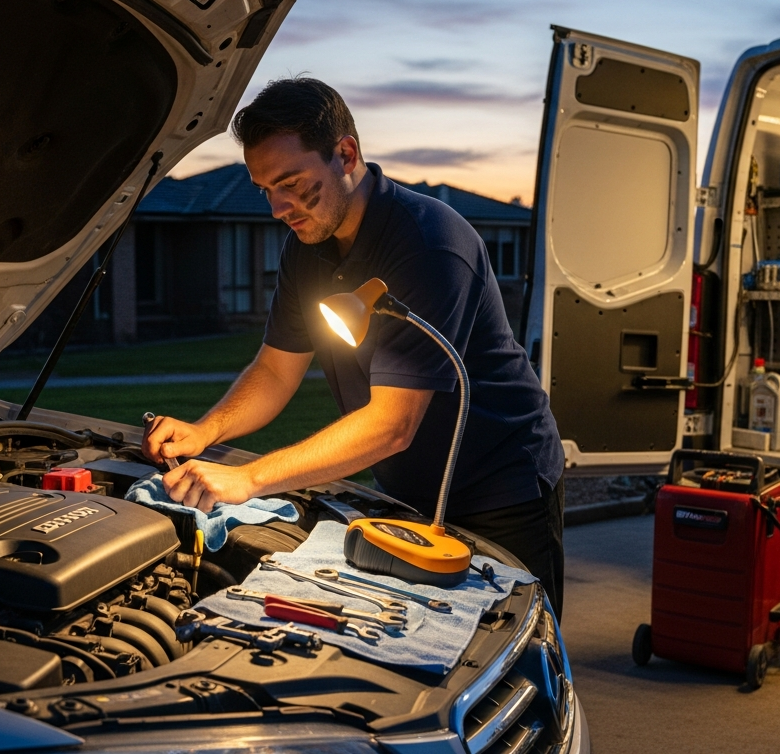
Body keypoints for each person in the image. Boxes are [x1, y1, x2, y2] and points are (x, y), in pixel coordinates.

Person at [142, 78, 565, 613]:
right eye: (266, 189)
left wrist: (248, 478)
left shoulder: (429, 244)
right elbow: (275, 370)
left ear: (346, 154)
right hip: (407, 492)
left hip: (502, 489)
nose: (279, 208)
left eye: (294, 183)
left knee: (518, 655)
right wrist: (207, 431)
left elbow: (392, 424)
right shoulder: (306, 247)